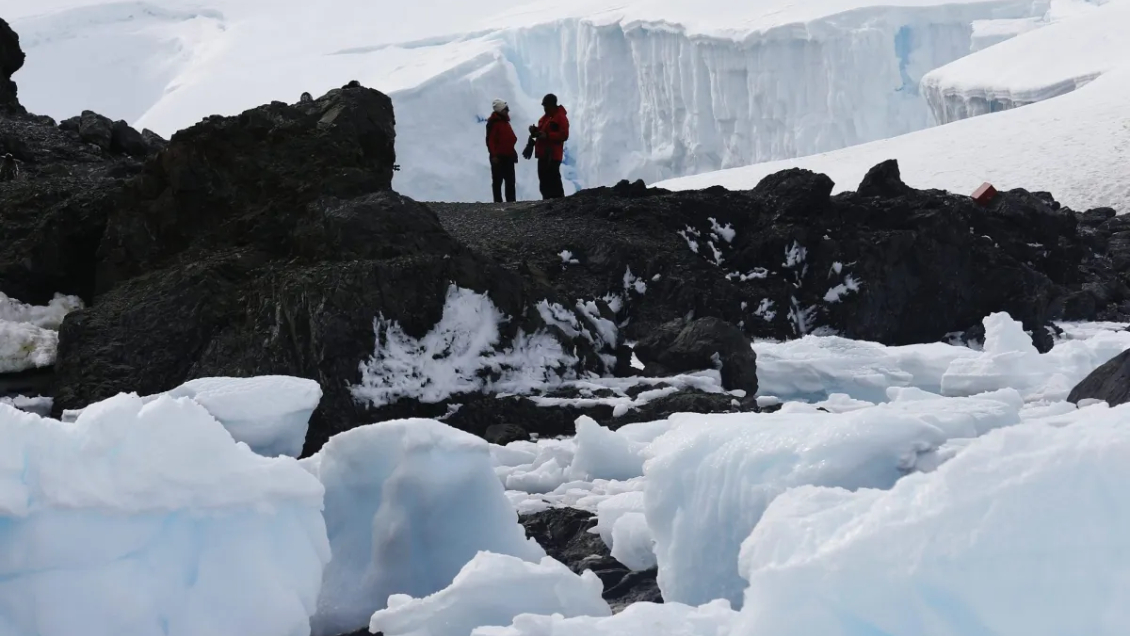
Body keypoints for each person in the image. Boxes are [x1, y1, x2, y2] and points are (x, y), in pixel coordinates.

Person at [526, 93, 569, 200]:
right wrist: (535, 131)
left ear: (552, 105)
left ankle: (559, 201)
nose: (544, 108)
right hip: (543, 154)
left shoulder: (560, 118)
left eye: (546, 106)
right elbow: (542, 132)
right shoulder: (545, 118)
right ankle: (548, 201)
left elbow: (564, 135)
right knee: (544, 179)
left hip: (553, 155)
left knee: (553, 179)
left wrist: (548, 136)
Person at [485, 98, 518, 203]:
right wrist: (494, 155)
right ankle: (499, 201)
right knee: (499, 180)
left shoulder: (503, 122)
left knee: (509, 181)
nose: (507, 111)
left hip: (507, 155)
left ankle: (510, 201)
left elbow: (510, 138)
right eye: (505, 109)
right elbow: (491, 141)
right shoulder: (496, 123)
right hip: (499, 156)